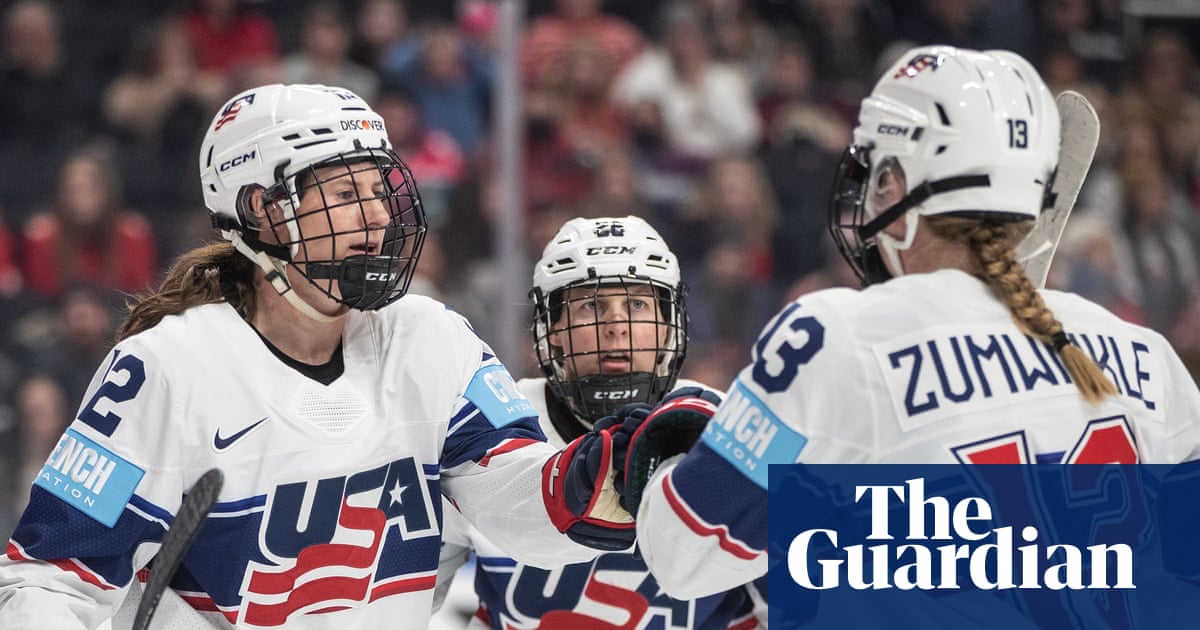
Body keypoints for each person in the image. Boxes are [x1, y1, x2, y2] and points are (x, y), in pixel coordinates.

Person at [0, 83, 640, 629]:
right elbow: (50, 582)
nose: (376, 217)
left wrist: (612, 473)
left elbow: (523, 510)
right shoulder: (166, 368)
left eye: (379, 190)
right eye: (343, 195)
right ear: (262, 210)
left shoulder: (428, 338)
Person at [627, 45, 1200, 618]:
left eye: (875, 175)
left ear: (898, 189)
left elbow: (684, 552)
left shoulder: (836, 338)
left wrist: (686, 452)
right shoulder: (1145, 353)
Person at [435, 215, 765, 628]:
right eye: (593, 305)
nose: (615, 327)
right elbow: (407, 595)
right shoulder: (492, 427)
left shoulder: (730, 427)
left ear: (668, 325)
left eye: (638, 305)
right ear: (551, 328)